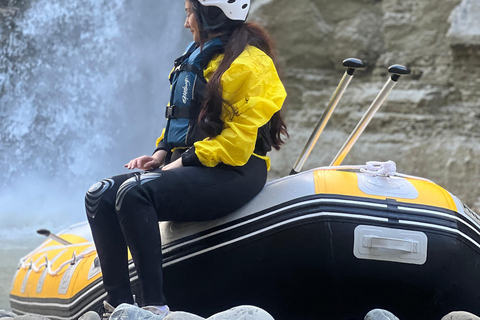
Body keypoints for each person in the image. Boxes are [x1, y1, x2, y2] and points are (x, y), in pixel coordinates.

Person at [85, 0, 287, 319]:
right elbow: (186, 121)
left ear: (211, 14)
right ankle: (119, 305)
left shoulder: (251, 64)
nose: (185, 23)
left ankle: (154, 305)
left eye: (188, 13)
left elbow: (236, 145)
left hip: (235, 171)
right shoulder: (201, 56)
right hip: (194, 165)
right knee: (99, 194)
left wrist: (183, 161)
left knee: (134, 193)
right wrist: (161, 153)